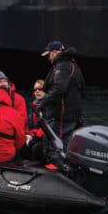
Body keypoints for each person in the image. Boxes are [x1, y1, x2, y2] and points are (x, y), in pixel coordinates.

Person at [40, 41, 85, 169]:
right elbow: (83, 90)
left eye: (49, 54)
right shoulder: (74, 65)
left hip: (60, 115)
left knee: (52, 145)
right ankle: (66, 168)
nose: (49, 57)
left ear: (55, 52)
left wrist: (44, 102)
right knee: (65, 144)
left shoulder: (62, 66)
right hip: (72, 116)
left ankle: (56, 170)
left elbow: (59, 88)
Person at [20, 80, 46, 161]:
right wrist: (26, 134)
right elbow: (28, 124)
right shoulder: (33, 105)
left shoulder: (50, 106)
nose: (37, 91)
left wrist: (35, 137)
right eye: (35, 89)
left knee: (36, 148)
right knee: (20, 146)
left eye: (40, 88)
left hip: (44, 138)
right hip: (33, 136)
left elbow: (49, 125)